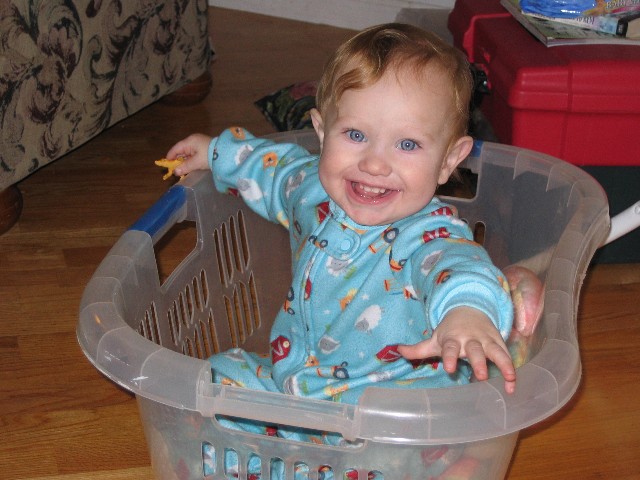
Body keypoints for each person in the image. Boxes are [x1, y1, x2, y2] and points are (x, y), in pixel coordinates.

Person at [163, 22, 517, 477]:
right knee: (216, 378)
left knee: (392, 463)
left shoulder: (428, 234)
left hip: (391, 414)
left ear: (450, 160)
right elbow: (273, 169)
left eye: (407, 144)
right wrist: (216, 153)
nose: (374, 163)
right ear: (321, 130)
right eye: (355, 135)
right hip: (294, 386)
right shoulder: (311, 189)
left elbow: (458, 267)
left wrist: (466, 315)